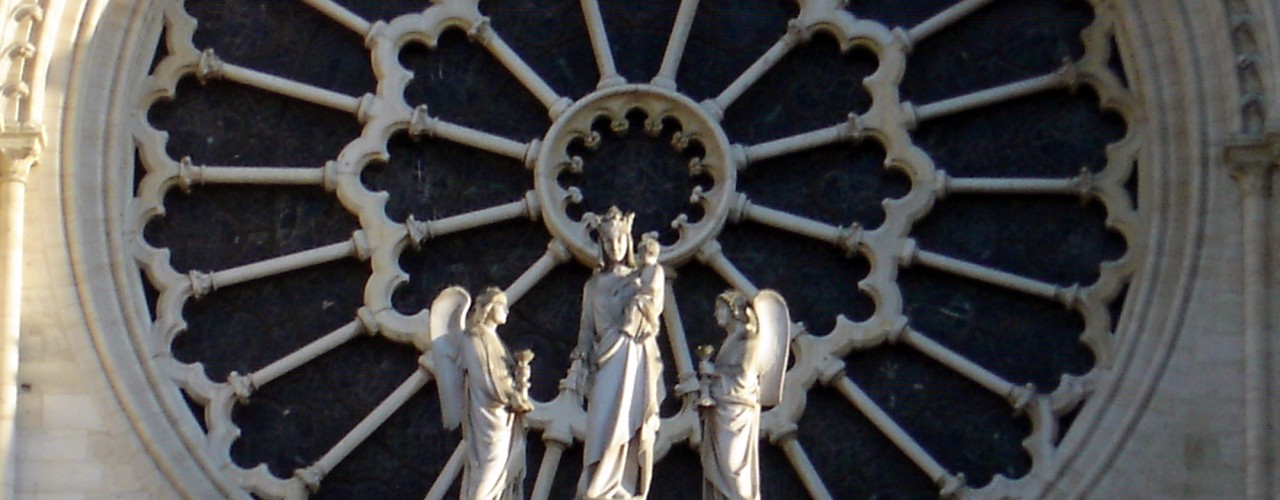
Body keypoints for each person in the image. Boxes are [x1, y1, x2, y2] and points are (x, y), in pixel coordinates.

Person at [568, 207, 666, 499]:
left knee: (629, 423)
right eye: (609, 242)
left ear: (628, 241)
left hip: (634, 356)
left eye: (620, 241)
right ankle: (598, 482)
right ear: (602, 245)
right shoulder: (593, 285)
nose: (615, 247)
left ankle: (622, 485)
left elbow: (653, 309)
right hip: (605, 359)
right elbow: (586, 327)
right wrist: (580, 358)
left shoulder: (640, 279)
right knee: (600, 426)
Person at [430, 286, 532, 500]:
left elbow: (502, 375)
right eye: (502, 305)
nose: (507, 310)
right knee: (488, 471)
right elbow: (484, 378)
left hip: (504, 417)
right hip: (488, 415)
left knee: (501, 472)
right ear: (488, 308)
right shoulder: (473, 339)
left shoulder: (496, 341)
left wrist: (520, 376)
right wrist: (512, 396)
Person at [700, 290, 789, 500]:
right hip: (721, 411)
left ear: (734, 311)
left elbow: (745, 376)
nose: (715, 314)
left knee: (734, 468)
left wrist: (714, 372)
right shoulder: (729, 342)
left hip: (737, 413)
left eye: (720, 309)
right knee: (720, 469)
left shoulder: (750, 342)